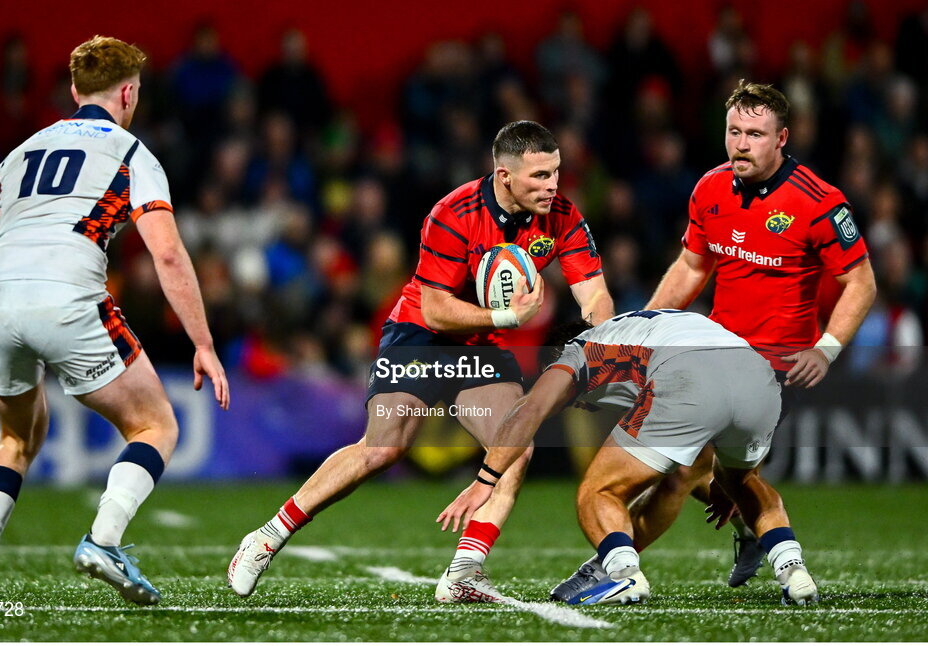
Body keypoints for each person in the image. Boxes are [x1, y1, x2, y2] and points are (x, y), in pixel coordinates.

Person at [227, 120, 614, 603]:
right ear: (504, 176)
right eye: (539, 176)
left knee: (517, 444)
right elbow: (434, 307)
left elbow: (594, 292)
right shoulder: (453, 213)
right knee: (382, 450)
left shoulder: (562, 215)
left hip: (481, 343)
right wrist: (507, 316)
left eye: (555, 172)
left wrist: (598, 345)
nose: (552, 185)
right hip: (421, 333)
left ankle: (465, 572)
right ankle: (266, 537)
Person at [551, 80, 876, 600]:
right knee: (711, 475)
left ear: (782, 138)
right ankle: (755, 541)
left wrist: (827, 347)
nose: (742, 143)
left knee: (682, 475)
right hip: (709, 351)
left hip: (774, 368)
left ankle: (614, 567)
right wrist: (648, 333)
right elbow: (691, 265)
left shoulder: (819, 202)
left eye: (755, 134)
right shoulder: (710, 189)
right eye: (734, 131)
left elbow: (861, 281)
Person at [0, 36, 230, 608]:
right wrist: (202, 342)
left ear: (76, 91)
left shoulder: (20, 152)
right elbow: (168, 254)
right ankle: (103, 540)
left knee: (15, 437)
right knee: (156, 426)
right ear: (128, 92)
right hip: (69, 300)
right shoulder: (132, 153)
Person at [437, 309, 820, 606]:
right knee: (746, 483)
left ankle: (622, 572)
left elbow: (528, 411)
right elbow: (708, 418)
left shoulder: (578, 351)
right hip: (758, 376)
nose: (579, 407)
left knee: (598, 491)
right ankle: (792, 569)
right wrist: (726, 482)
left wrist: (485, 479)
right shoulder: (640, 328)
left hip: (687, 376)